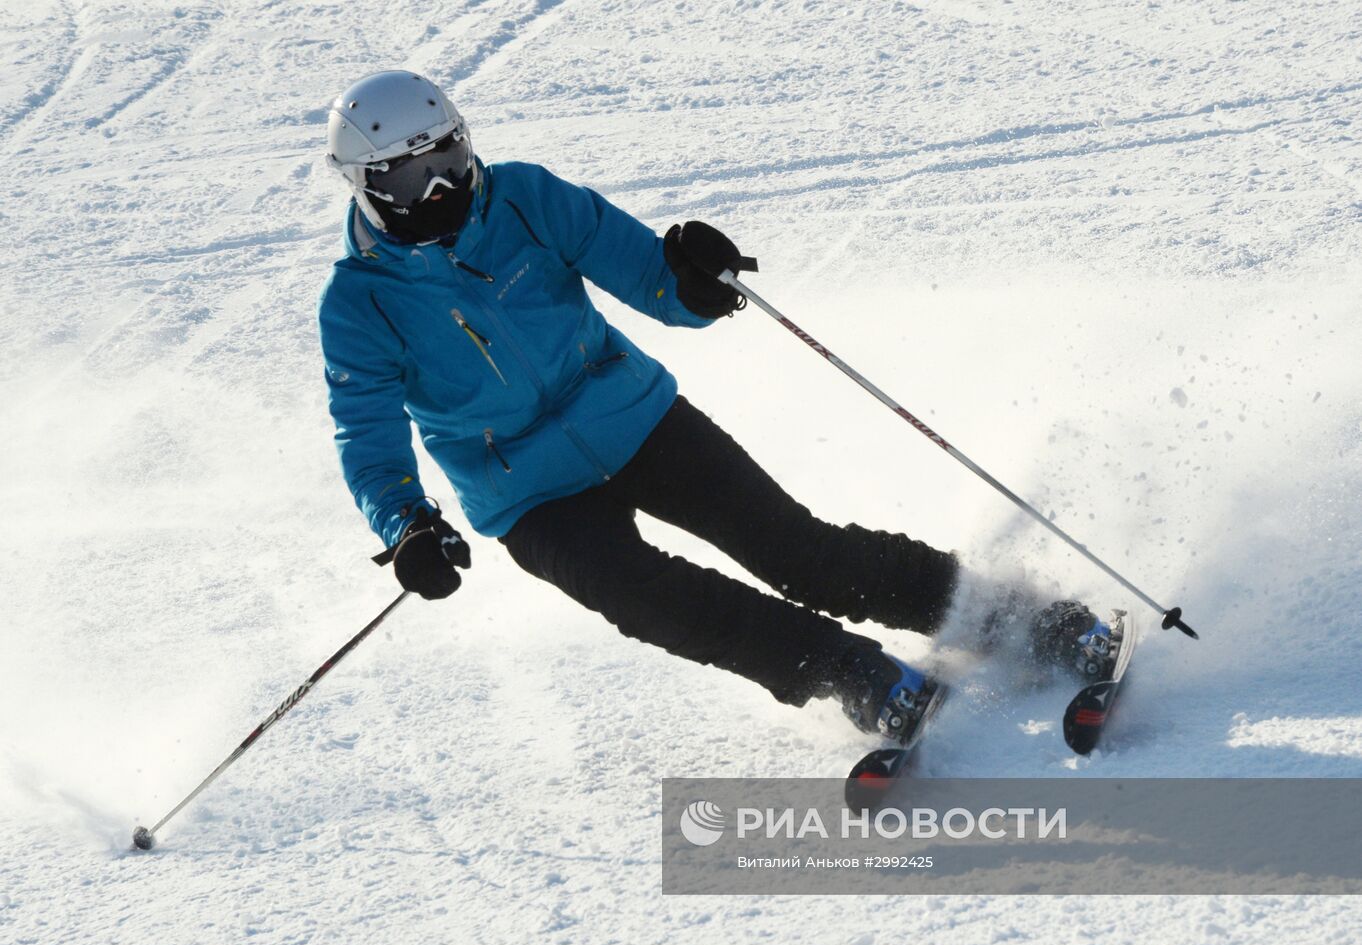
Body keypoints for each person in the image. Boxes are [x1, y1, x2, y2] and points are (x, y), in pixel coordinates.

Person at [319, 71, 1109, 745]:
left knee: (803, 554)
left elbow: (649, 278)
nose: (445, 188)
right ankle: (858, 676)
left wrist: (696, 280)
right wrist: (407, 525)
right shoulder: (360, 304)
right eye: (409, 177)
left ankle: (1032, 623)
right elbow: (369, 436)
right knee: (661, 603)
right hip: (528, 497)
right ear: (365, 185)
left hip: (632, 417)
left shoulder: (524, 198)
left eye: (451, 158)